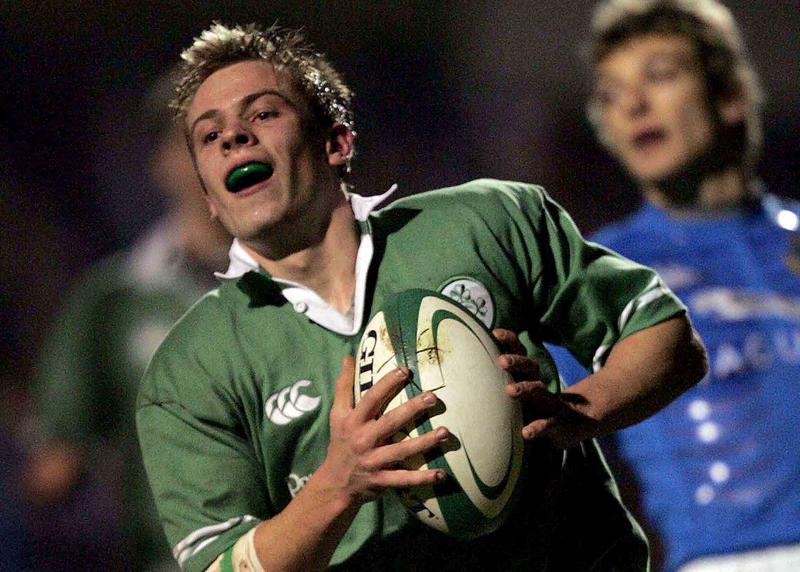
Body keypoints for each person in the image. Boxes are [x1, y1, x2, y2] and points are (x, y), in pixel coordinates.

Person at [135, 22, 707, 572]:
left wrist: (579, 413)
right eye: (210, 135)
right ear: (209, 196)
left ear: (336, 142)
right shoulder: (190, 369)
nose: (234, 136)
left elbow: (666, 336)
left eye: (263, 113)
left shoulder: (489, 222)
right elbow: (221, 566)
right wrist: (339, 483)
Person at [551, 0, 800, 570]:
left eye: (660, 76)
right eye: (611, 95)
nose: (633, 104)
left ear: (731, 97)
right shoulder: (598, 271)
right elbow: (539, 442)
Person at [25, 69, 232, 571]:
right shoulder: (114, 299)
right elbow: (51, 470)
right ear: (163, 162)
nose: (226, 152)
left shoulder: (311, 279)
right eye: (203, 137)